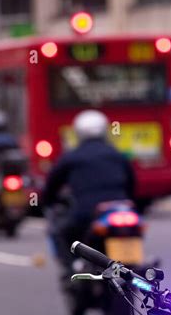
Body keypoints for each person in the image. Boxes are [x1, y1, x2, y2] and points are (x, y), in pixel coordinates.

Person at [42, 110, 136, 269]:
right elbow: (132, 183)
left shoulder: (72, 156)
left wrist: (48, 201)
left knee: (59, 232)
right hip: (123, 209)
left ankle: (73, 269)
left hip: (87, 212)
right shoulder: (116, 154)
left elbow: (52, 183)